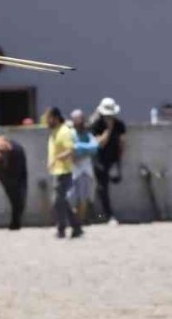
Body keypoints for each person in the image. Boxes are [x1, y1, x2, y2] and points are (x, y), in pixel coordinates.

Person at [88, 96, 127, 225]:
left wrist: (119, 159)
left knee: (108, 185)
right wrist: (108, 130)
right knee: (101, 187)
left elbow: (122, 142)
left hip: (113, 159)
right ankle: (107, 215)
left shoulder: (120, 125)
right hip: (99, 160)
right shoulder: (96, 125)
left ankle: (100, 213)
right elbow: (100, 143)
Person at [47, 108, 82, 238]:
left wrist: (57, 158)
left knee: (57, 201)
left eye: (49, 118)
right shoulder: (54, 132)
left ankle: (61, 229)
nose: (47, 121)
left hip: (64, 171)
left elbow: (71, 150)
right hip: (57, 171)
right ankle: (76, 227)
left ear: (56, 118)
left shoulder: (64, 131)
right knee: (61, 201)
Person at [68, 109, 98, 223]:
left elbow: (94, 147)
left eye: (79, 119)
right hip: (72, 167)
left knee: (84, 196)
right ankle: (74, 220)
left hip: (85, 168)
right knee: (71, 196)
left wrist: (79, 147)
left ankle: (80, 220)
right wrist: (81, 149)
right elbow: (70, 148)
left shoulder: (87, 134)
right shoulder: (70, 133)